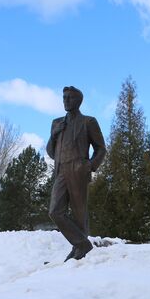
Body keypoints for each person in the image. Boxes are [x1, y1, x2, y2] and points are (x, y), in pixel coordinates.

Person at [47, 86, 106, 261]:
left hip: (78, 168)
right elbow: (51, 152)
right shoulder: (56, 123)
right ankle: (82, 244)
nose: (66, 100)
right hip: (60, 170)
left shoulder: (88, 122)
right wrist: (54, 135)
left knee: (79, 211)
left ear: (78, 101)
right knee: (55, 211)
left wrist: (90, 166)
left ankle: (79, 248)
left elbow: (101, 148)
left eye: (70, 97)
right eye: (64, 97)